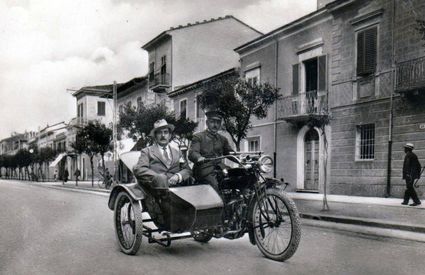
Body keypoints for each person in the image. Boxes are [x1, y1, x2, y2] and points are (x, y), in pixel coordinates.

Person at [133, 119, 192, 190]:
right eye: (159, 133)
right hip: (157, 190)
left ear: (170, 135)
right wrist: (158, 177)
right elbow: (140, 169)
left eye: (166, 132)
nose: (163, 135)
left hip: (178, 189)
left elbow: (187, 169)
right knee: (161, 178)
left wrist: (178, 176)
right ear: (155, 136)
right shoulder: (147, 151)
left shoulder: (177, 152)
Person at [188, 109, 234, 191]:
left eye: (218, 122)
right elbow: (192, 153)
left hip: (220, 168)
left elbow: (230, 153)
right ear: (207, 123)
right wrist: (199, 158)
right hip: (204, 170)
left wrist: (241, 158)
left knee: (237, 177)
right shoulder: (198, 137)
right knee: (214, 186)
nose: (215, 125)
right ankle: (219, 203)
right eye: (212, 122)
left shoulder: (223, 139)